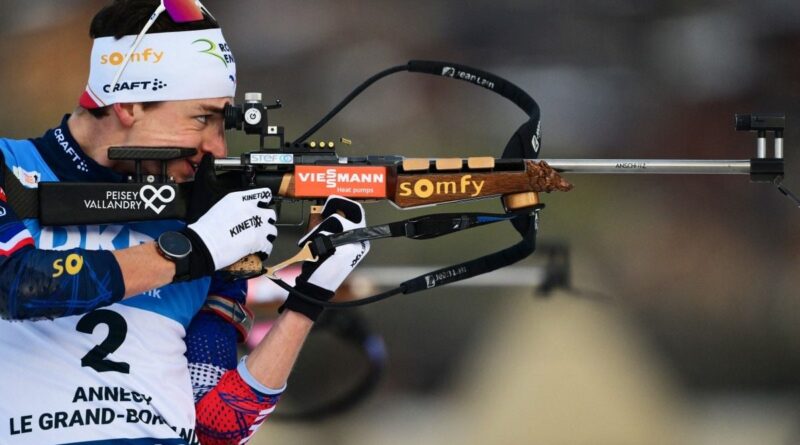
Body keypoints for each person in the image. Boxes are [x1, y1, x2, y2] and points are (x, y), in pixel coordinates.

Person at [0, 1, 369, 444]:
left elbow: (217, 426)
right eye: (202, 118)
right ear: (129, 104)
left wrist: (309, 298)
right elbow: (18, 284)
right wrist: (192, 251)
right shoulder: (9, 166)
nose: (216, 147)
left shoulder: (207, 220)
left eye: (223, 121)